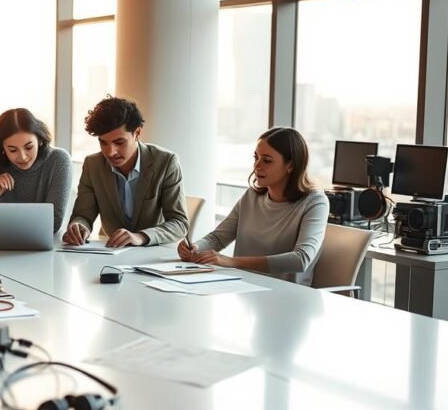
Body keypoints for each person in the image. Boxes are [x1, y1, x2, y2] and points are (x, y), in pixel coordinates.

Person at [178, 126, 329, 285]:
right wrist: (196, 247)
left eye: (267, 160)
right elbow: (217, 238)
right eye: (255, 157)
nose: (257, 165)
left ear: (290, 165)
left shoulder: (315, 202)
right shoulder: (252, 196)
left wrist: (232, 262)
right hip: (242, 288)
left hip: (286, 295)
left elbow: (301, 259)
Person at [63, 96, 187, 247]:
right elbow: (83, 215)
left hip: (153, 252)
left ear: (137, 133)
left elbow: (179, 223)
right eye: (103, 143)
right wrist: (79, 227)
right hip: (112, 254)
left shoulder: (166, 162)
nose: (110, 152)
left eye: (119, 142)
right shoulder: (92, 165)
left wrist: (141, 236)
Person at [0, 108, 72, 233]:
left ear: (40, 140)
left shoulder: (58, 160)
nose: (23, 157)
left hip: (40, 249)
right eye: (13, 150)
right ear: (2, 148)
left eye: (29, 147)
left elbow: (54, 223)